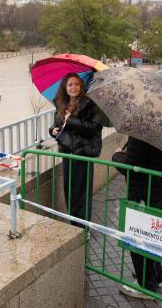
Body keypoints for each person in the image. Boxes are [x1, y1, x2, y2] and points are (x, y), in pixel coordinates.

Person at [112, 136, 162, 300]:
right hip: (161, 188)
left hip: (143, 193)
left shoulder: (141, 134)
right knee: (153, 236)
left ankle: (147, 285)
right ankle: (155, 274)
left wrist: (117, 155)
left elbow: (131, 166)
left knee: (137, 236)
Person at [49, 73, 103, 228]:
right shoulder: (61, 104)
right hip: (67, 152)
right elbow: (56, 124)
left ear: (81, 86)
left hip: (83, 153)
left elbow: (94, 128)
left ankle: (83, 226)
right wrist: (52, 130)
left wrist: (70, 120)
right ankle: (73, 224)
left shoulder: (91, 104)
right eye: (70, 85)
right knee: (70, 190)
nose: (73, 87)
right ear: (65, 88)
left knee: (82, 192)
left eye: (76, 84)